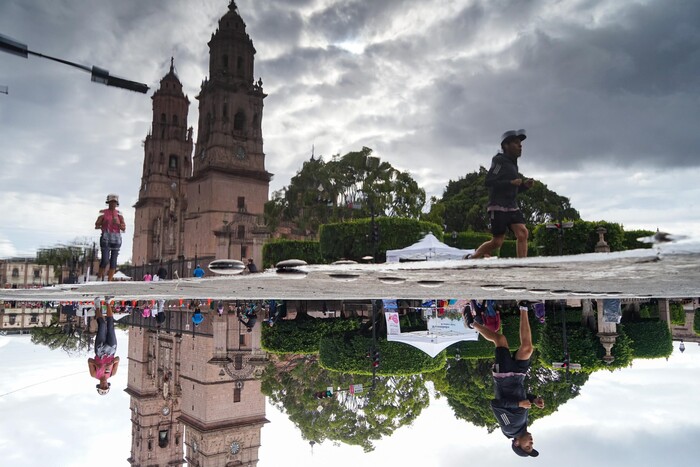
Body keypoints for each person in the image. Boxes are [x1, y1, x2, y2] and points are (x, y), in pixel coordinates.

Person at [471, 302, 544, 457]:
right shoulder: (523, 425)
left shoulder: (509, 428)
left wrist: (519, 404)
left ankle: (472, 324)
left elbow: (496, 405)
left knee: (500, 340)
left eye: (528, 447)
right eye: (532, 445)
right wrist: (533, 399)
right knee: (527, 348)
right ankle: (524, 307)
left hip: (504, 377)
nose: (531, 443)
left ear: (517, 444)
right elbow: (519, 398)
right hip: (518, 377)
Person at [470, 130, 534, 259]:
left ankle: (522, 264)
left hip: (511, 206)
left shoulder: (514, 165)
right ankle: (473, 257)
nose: (520, 146)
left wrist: (524, 187)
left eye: (521, 143)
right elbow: (489, 181)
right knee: (497, 242)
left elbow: (513, 190)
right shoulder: (499, 160)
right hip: (498, 205)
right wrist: (511, 182)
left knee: (523, 233)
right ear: (506, 146)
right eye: (516, 143)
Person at [88, 297, 120, 395]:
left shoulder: (94, 375)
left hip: (100, 351)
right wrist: (111, 363)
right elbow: (118, 359)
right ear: (108, 385)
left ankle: (97, 307)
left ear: (99, 385)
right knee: (110, 326)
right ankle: (107, 302)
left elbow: (89, 360)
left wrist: (97, 365)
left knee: (102, 325)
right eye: (106, 386)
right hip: (111, 351)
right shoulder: (112, 373)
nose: (104, 385)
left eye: (102, 387)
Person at [94, 194, 126, 281]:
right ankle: (99, 276)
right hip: (106, 238)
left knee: (113, 260)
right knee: (105, 259)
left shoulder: (119, 214)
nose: (113, 204)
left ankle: (110, 280)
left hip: (116, 238)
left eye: (115, 202)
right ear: (108, 203)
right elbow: (96, 225)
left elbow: (123, 228)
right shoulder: (103, 212)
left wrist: (118, 224)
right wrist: (102, 223)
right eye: (111, 202)